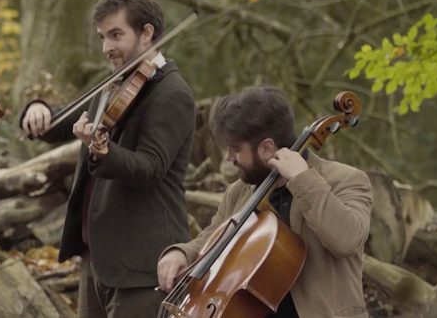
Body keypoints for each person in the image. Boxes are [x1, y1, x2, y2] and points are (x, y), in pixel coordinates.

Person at [19, 0, 196, 318]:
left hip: (143, 268)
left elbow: (149, 169)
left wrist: (101, 149)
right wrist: (38, 108)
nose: (107, 48)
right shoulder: (115, 83)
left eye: (116, 35)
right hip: (99, 262)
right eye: (102, 37)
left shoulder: (172, 94)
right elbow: (60, 121)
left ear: (147, 33)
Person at [156, 86, 373, 318]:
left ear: (267, 148)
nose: (229, 159)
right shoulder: (239, 191)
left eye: (235, 150)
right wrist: (183, 254)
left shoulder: (346, 179)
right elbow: (213, 236)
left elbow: (347, 240)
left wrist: (304, 180)